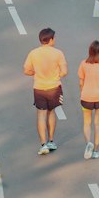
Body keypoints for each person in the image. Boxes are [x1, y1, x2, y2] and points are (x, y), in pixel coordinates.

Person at [22, 26, 68, 156]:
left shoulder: (33, 53)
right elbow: (64, 72)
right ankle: (51, 140)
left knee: (41, 115)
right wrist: (56, 75)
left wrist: (36, 73)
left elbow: (26, 70)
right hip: (54, 87)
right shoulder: (58, 53)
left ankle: (43, 144)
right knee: (51, 113)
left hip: (39, 88)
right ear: (51, 39)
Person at [78, 39, 99, 158]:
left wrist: (82, 92)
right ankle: (96, 150)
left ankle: (88, 143)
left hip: (86, 97)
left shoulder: (83, 64)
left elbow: (81, 82)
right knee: (97, 124)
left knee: (87, 123)